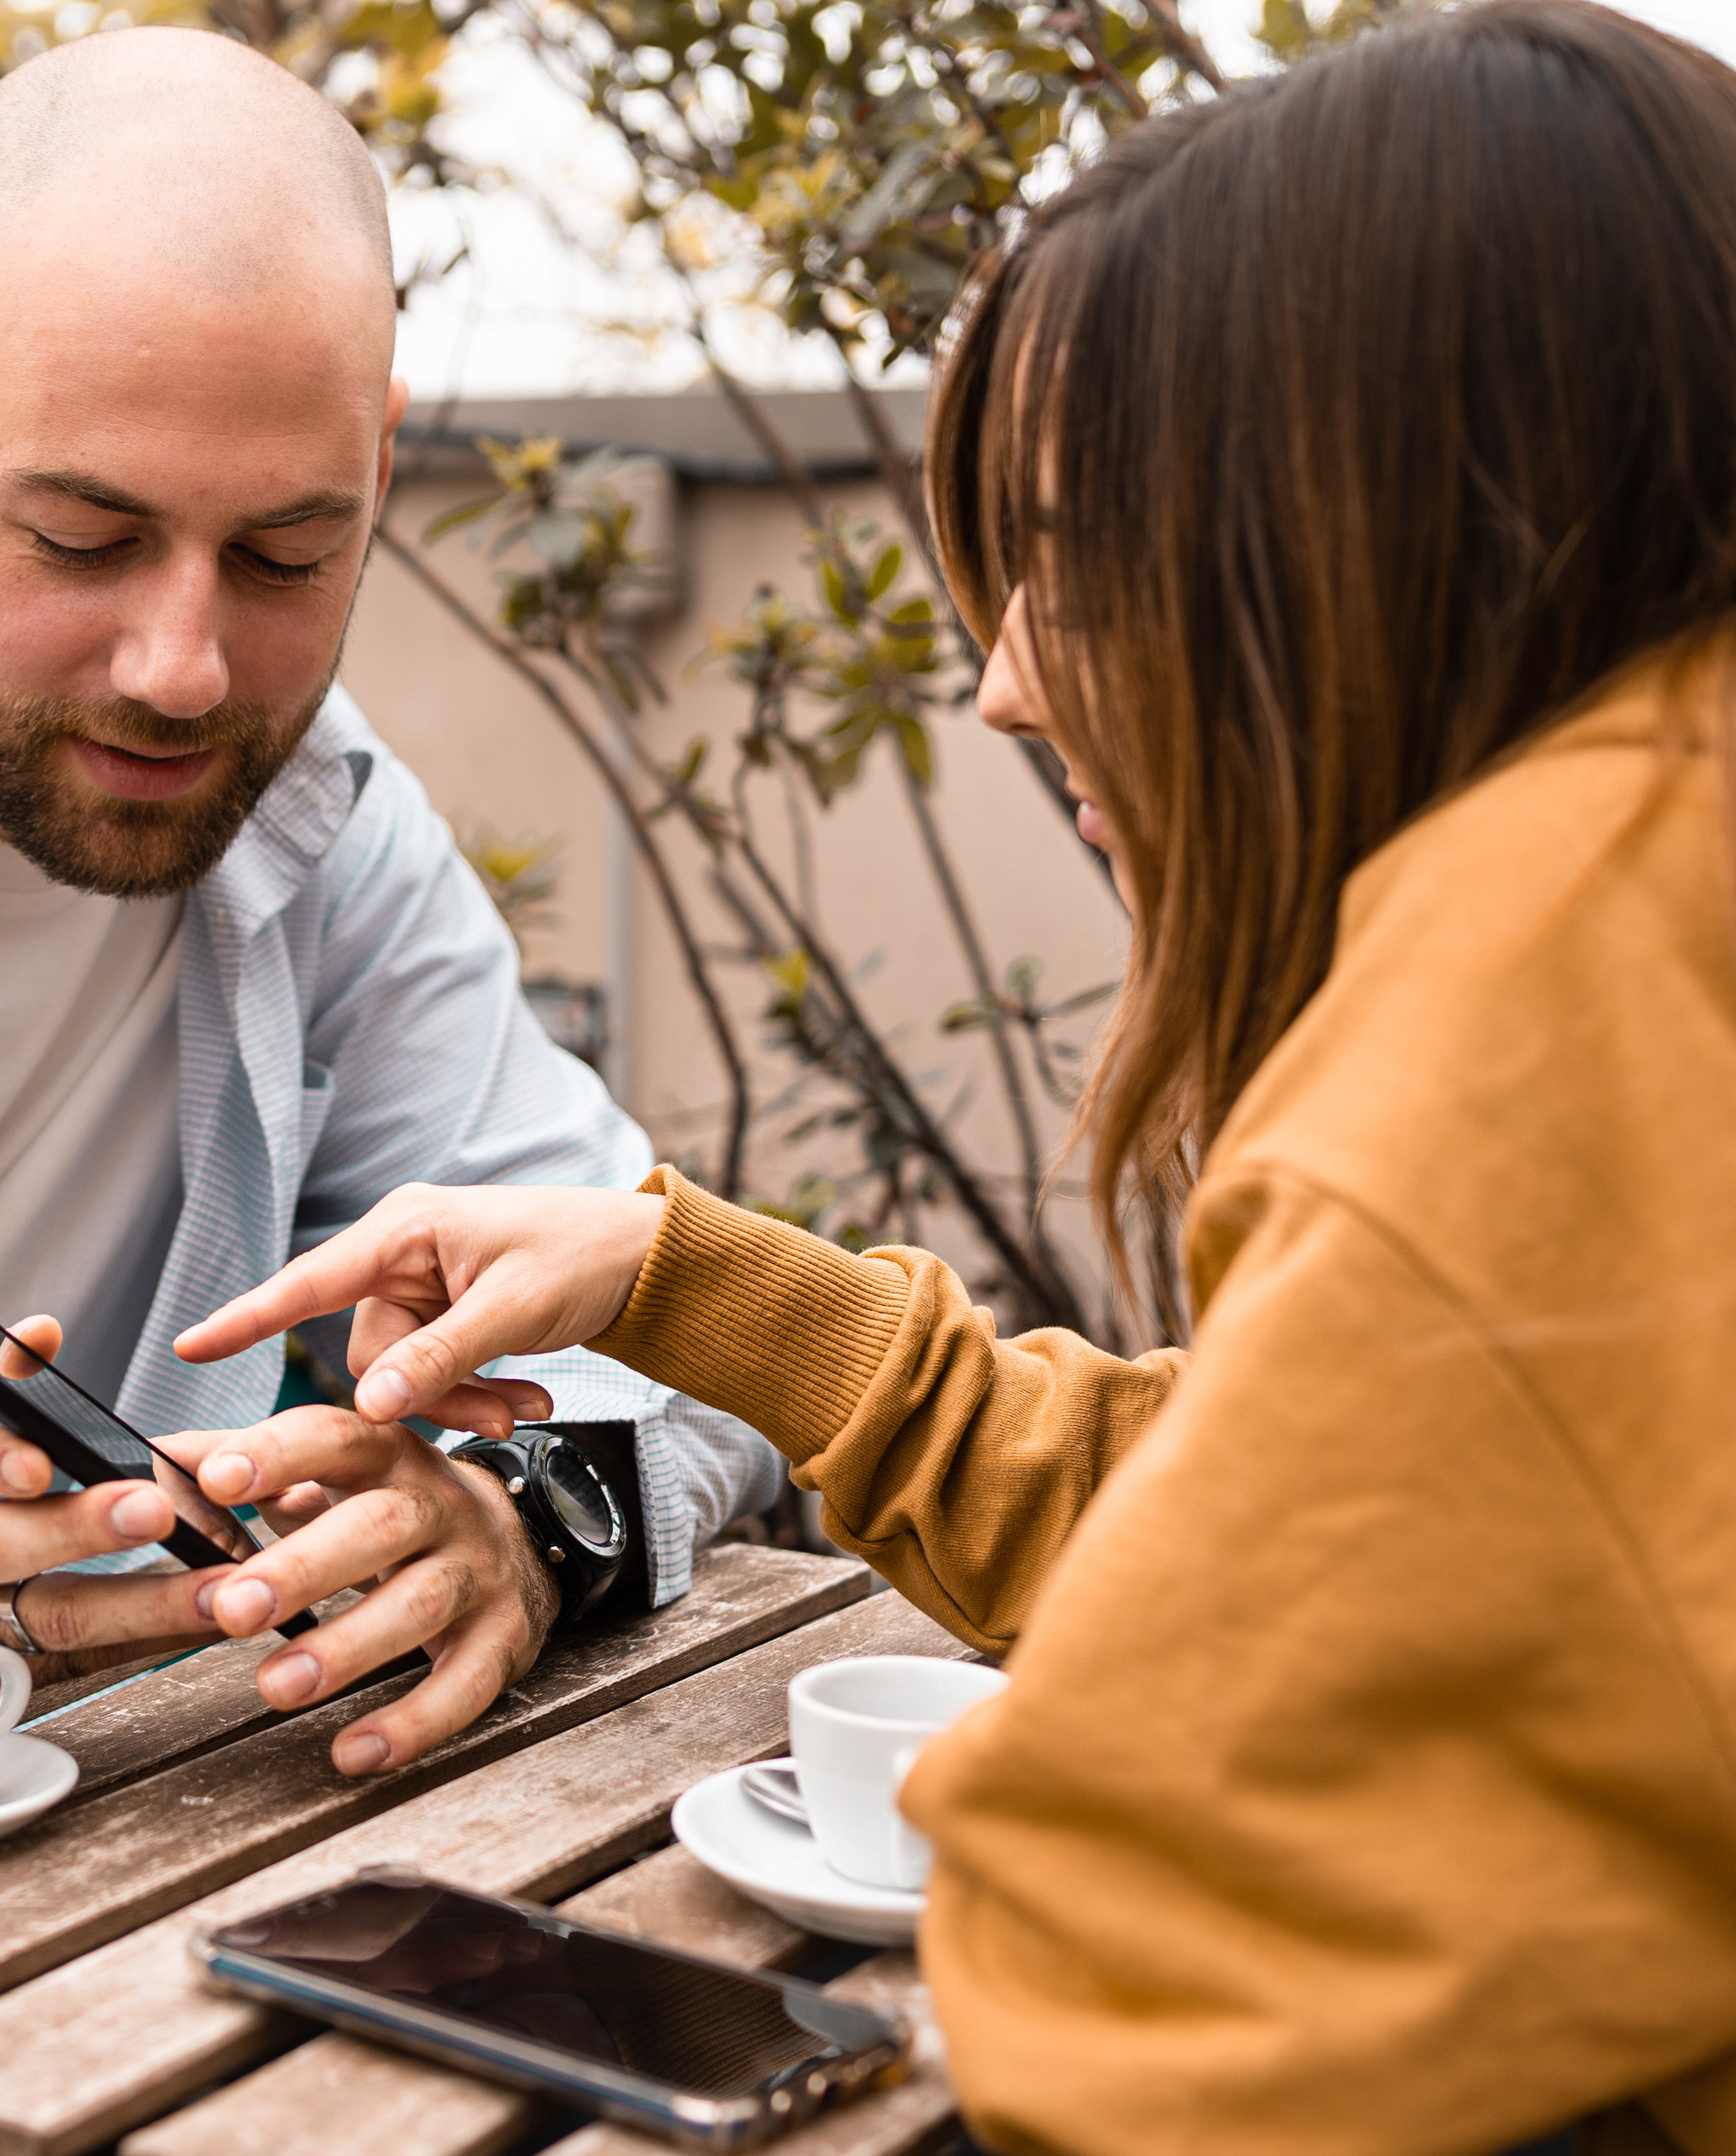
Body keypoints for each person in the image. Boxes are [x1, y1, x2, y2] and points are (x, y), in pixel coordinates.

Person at [176, 3, 1736, 2146]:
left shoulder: (1550, 975)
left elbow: (1144, 1975)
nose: (1002, 675)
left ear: (1387, 523)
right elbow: (1340, 1547)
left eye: (1077, 544)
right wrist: (680, 1278)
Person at [0, 27, 781, 1776]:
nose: (186, 670)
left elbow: (685, 1347)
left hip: (66, 1939)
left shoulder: (318, 823)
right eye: (81, 540)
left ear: (374, 471)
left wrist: (518, 1525)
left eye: (291, 554)